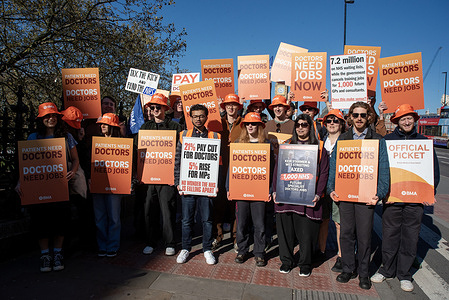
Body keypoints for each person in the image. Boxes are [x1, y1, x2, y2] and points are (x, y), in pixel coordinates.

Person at [371, 104, 440, 292]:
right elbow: (380, 169)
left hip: (416, 201)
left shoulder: (424, 142)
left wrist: (429, 193)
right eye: (403, 118)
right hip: (392, 199)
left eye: (410, 118)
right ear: (397, 121)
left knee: (410, 238)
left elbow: (434, 172)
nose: (407, 121)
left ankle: (404, 274)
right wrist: (383, 192)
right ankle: (386, 270)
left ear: (415, 120)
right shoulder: (387, 141)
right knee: (390, 236)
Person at [327, 101, 390, 290]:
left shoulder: (378, 140)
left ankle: (364, 273)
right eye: (356, 115)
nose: (359, 118)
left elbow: (384, 170)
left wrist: (379, 193)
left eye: (363, 115)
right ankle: (348, 268)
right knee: (346, 234)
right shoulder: (344, 139)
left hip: (366, 197)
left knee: (364, 237)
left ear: (369, 117)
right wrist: (331, 188)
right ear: (351, 117)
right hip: (345, 195)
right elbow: (334, 167)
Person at [16, 102, 79, 272]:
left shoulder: (67, 137)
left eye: (53, 116)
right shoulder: (32, 138)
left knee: (60, 218)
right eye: (47, 116)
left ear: (58, 118)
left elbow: (75, 160)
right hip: (39, 188)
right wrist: (20, 182)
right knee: (40, 220)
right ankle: (45, 254)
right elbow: (25, 165)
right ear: (41, 119)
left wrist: (72, 172)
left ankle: (57, 253)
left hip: (60, 186)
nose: (51, 119)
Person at [273, 114, 329, 276]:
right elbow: (278, 170)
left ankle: (305, 263)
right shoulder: (287, 145)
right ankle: (287, 261)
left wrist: (318, 194)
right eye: (298, 125)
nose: (300, 128)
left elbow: (324, 173)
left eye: (304, 125)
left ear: (310, 127)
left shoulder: (319, 147)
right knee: (285, 233)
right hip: (286, 197)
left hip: (307, 198)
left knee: (306, 234)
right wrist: (274, 190)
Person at [174, 104, 221, 265]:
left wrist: (215, 183)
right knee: (186, 220)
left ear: (206, 117)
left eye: (201, 116)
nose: (198, 119)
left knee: (207, 219)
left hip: (206, 186)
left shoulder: (214, 137)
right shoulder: (183, 135)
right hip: (188, 184)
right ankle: (186, 248)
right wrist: (177, 182)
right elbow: (177, 161)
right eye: (195, 116)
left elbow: (217, 164)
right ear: (190, 117)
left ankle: (207, 249)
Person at [137, 93, 182, 256]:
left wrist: (176, 176)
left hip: (168, 176)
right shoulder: (145, 128)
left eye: (158, 107)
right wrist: (140, 174)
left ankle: (170, 242)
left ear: (165, 108)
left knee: (168, 209)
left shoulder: (175, 128)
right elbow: (139, 152)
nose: (154, 110)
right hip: (149, 177)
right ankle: (151, 241)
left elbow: (181, 152)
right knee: (150, 209)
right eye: (152, 107)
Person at [230, 112, 274, 267]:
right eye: (247, 124)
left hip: (259, 192)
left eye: (253, 124)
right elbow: (232, 168)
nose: (250, 126)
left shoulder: (267, 145)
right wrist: (229, 188)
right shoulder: (238, 143)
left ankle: (259, 253)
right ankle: (242, 250)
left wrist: (270, 190)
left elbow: (271, 170)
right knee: (241, 223)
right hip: (241, 190)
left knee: (259, 224)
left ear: (259, 126)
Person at [90, 113, 123, 257]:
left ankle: (113, 245)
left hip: (116, 185)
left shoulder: (123, 144)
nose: (102, 126)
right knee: (99, 217)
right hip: (98, 183)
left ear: (113, 127)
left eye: (105, 124)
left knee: (114, 217)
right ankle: (102, 245)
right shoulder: (95, 142)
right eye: (101, 124)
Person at [213, 94, 242, 250]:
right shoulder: (218, 123)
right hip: (220, 167)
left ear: (238, 107)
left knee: (235, 204)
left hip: (238, 168)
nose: (231, 107)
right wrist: (216, 110)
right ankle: (217, 236)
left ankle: (236, 237)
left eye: (234, 105)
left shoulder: (245, 124)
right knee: (219, 203)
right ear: (224, 107)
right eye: (228, 105)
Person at [321, 109, 346, 272]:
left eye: (335, 121)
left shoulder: (346, 142)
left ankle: (342, 255)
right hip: (322, 186)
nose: (332, 123)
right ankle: (321, 250)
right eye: (329, 121)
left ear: (342, 124)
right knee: (322, 219)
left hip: (340, 187)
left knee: (339, 223)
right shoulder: (321, 141)